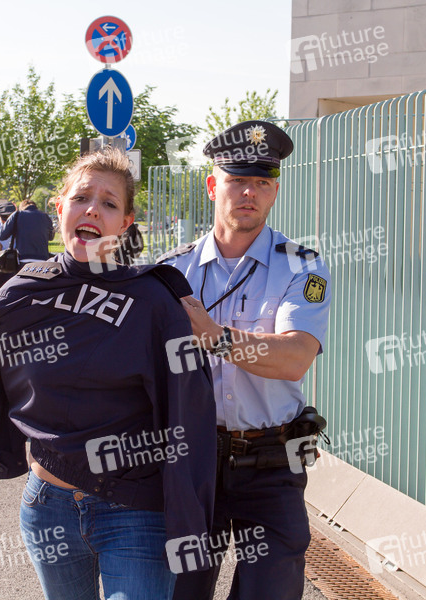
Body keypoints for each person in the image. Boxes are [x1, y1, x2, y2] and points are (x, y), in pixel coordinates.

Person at [0, 149, 217, 600]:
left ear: (125, 223)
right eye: (81, 197)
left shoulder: (154, 302)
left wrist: (189, 520)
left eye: (109, 203)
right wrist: (11, 454)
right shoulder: (20, 293)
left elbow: (190, 415)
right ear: (59, 207)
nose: (92, 210)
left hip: (135, 514)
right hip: (47, 508)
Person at [159, 121, 332, 600]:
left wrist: (214, 337)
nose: (249, 193)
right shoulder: (171, 270)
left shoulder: (302, 266)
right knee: (181, 591)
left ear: (275, 191)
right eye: (237, 180)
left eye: (261, 182)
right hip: (192, 460)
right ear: (212, 186)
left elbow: (295, 357)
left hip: (270, 461)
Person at [0, 199, 54, 265]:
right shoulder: (45, 216)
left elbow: (3, 236)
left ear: (21, 207)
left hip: (23, 257)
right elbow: (51, 237)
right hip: (43, 257)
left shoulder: (17, 215)